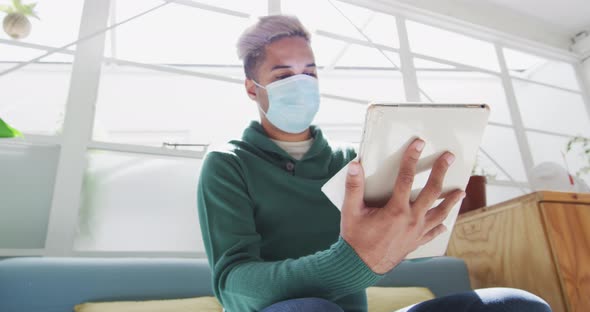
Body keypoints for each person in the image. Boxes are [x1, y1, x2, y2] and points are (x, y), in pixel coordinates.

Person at [197, 15, 552, 312]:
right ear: (251, 88)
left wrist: (419, 226)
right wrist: (354, 262)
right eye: (283, 76)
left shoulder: (353, 161)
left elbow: (411, 255)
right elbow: (233, 284)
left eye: (309, 73)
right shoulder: (229, 163)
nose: (301, 84)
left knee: (518, 304)